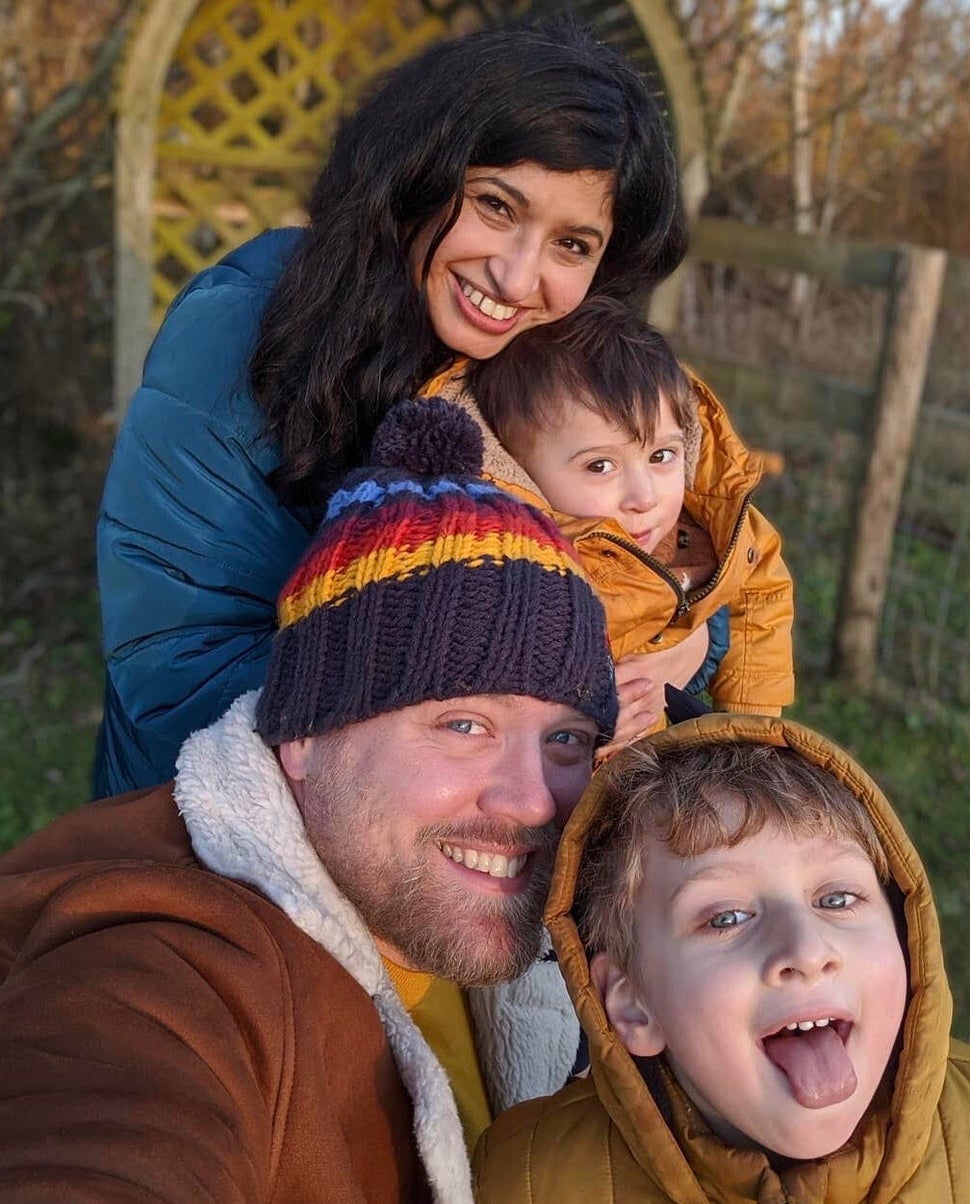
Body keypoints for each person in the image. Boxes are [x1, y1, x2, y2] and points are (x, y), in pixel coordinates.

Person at [0, 402, 618, 1203]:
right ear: (303, 734)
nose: (534, 798)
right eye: (463, 724)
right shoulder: (171, 955)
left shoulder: (586, 925)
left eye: (566, 739)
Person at [95, 17, 688, 797]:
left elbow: (683, 542)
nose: (517, 277)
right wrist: (532, 679)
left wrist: (688, 644)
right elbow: (178, 667)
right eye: (496, 206)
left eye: (571, 245)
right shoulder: (245, 327)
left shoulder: (549, 363)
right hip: (221, 822)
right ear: (416, 174)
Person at [473, 713, 970, 1202]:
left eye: (837, 899)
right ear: (632, 1004)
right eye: (727, 917)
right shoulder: (523, 1180)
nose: (807, 950)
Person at [468, 296, 794, 750]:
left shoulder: (702, 533)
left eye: (662, 456)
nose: (645, 497)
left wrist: (749, 732)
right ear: (517, 468)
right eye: (600, 466)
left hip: (657, 775)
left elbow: (760, 586)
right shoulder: (505, 566)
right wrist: (582, 732)